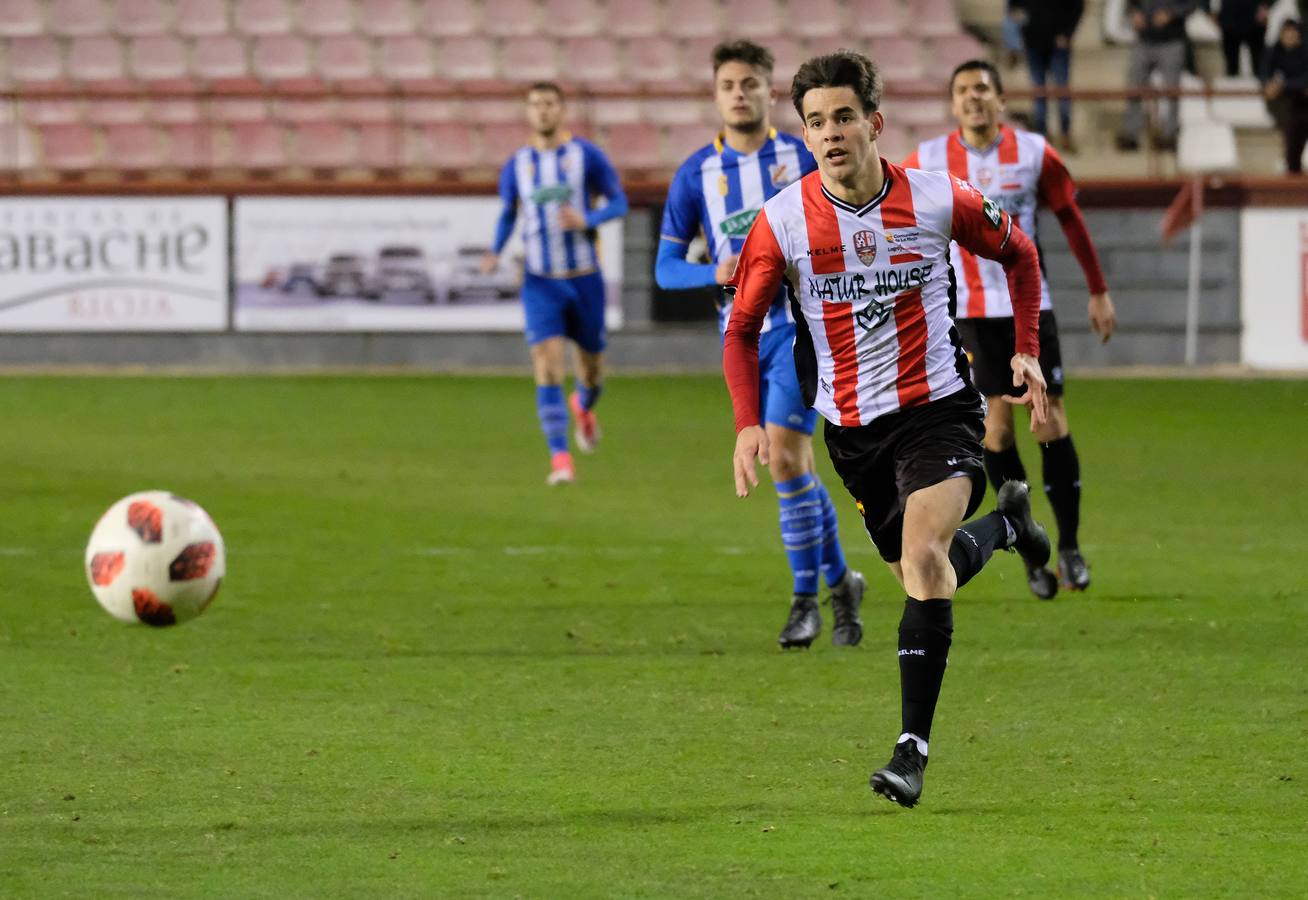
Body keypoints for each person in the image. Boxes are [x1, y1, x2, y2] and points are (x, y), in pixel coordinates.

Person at [724, 50, 1053, 808]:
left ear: (873, 123)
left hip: (940, 410)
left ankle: (911, 751)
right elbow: (740, 330)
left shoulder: (938, 198)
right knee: (919, 574)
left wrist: (1027, 347)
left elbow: (1020, 254)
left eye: (844, 117)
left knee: (925, 556)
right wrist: (747, 425)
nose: (830, 133)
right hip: (853, 433)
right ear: (805, 134)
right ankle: (1008, 526)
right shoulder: (782, 222)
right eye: (816, 122)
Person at [656, 40, 865, 648]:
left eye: (749, 83)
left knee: (787, 458)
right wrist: (713, 271)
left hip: (804, 331)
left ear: (770, 92)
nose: (739, 94)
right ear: (716, 95)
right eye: (728, 85)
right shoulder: (697, 174)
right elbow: (666, 269)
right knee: (795, 468)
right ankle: (841, 583)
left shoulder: (803, 156)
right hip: (744, 338)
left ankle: (805, 603)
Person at [903, 60, 1116, 598]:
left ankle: (1069, 547)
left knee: (1050, 420)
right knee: (995, 432)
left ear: (1000, 99)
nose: (973, 97)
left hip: (1030, 305)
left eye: (982, 88)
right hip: (970, 313)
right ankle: (1027, 546)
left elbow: (1070, 218)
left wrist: (1097, 289)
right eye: (963, 90)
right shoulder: (927, 159)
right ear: (953, 103)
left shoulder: (1034, 152)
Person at [483, 82, 628, 485]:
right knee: (546, 366)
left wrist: (589, 220)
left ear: (561, 110)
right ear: (528, 112)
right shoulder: (518, 164)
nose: (542, 111)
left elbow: (619, 202)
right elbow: (509, 213)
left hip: (584, 279)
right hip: (539, 281)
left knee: (592, 373)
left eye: (549, 104)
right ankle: (560, 460)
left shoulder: (586, 156)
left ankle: (583, 405)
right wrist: (495, 250)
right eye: (535, 105)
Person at [1117, 0, 1200, 151]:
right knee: (1134, 88)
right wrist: (1134, 13)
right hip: (1143, 41)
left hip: (1172, 41)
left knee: (1171, 92)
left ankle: (1169, 135)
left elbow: (1191, 4)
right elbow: (1131, 4)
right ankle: (1131, 134)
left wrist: (1171, 13)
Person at [1009, 0, 1085, 151]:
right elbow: (1014, 7)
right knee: (1039, 92)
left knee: (1061, 90)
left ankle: (1065, 135)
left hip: (1058, 44)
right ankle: (1042, 136)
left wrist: (1067, 34)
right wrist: (1023, 26)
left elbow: (1078, 7)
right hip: (1033, 42)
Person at [1262, 18, 1308, 174]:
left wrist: (1283, 85)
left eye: (1292, 32)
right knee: (1293, 150)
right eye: (1286, 32)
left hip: (1302, 102)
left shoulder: (1305, 50)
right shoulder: (1274, 50)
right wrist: (1268, 83)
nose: (1289, 36)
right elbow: (1264, 72)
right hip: (1293, 106)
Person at [1209, 0, 1271, 77]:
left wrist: (1266, 5)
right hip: (1229, 18)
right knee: (1231, 66)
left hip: (1256, 18)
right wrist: (1212, 10)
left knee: (1259, 66)